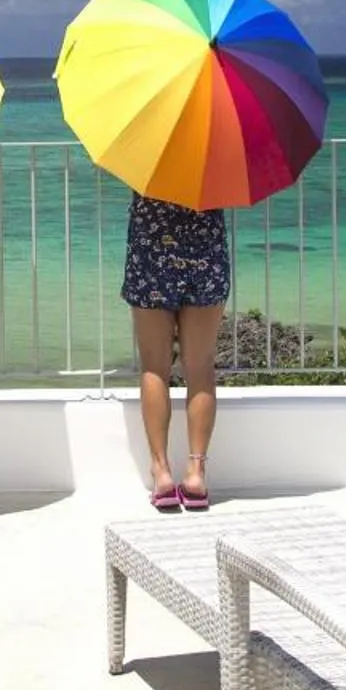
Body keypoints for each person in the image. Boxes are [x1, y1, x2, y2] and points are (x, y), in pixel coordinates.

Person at [122, 192, 229, 510]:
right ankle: (196, 472)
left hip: (151, 253)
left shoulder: (148, 150)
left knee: (155, 366)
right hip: (205, 255)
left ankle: (161, 471)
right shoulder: (215, 152)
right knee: (200, 367)